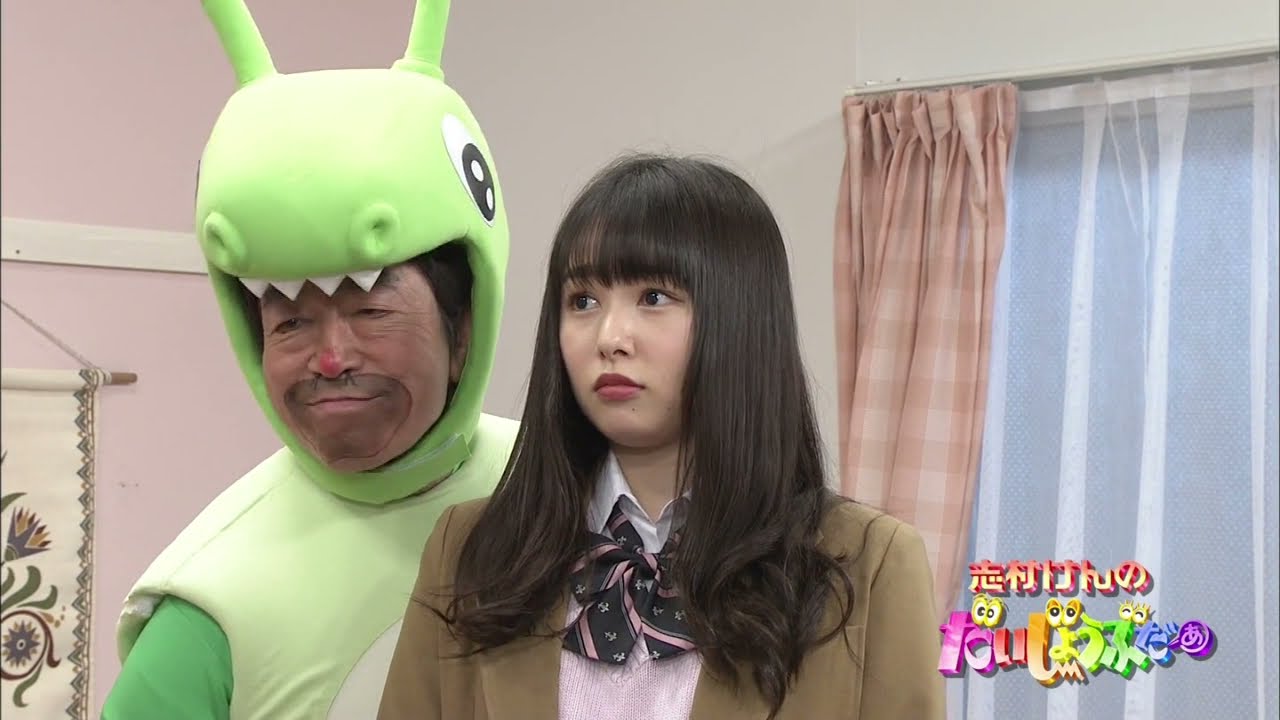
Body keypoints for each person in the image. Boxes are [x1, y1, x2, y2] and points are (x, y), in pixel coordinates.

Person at [376, 154, 945, 720]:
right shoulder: (470, 551)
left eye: (653, 297)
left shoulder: (870, 564)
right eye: (583, 301)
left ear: (741, 319)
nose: (610, 337)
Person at [101, 0, 517, 717]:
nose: (330, 359)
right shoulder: (209, 601)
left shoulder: (575, 498)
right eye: (290, 322)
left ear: (464, 330)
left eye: (371, 311)